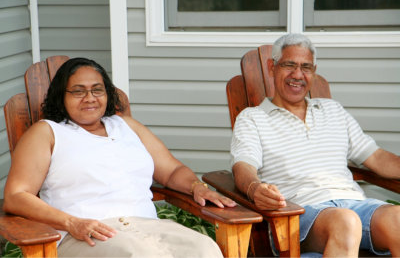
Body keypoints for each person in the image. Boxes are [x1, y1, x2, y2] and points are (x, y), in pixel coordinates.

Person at [3, 57, 236, 257]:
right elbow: (16, 195)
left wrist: (196, 186)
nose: (90, 97)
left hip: (150, 227)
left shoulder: (127, 126)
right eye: (78, 91)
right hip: (85, 235)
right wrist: (72, 223)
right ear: (60, 96)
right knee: (140, 255)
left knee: (203, 249)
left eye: (97, 89)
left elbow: (172, 171)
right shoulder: (48, 133)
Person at [230, 33, 400, 257]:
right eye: (289, 65)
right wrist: (255, 188)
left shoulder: (333, 110)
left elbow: (376, 158)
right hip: (299, 213)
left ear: (314, 71)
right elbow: (244, 166)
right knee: (346, 222)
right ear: (272, 67)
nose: (297, 75)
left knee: (397, 219)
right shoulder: (252, 118)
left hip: (355, 205)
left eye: (306, 67)